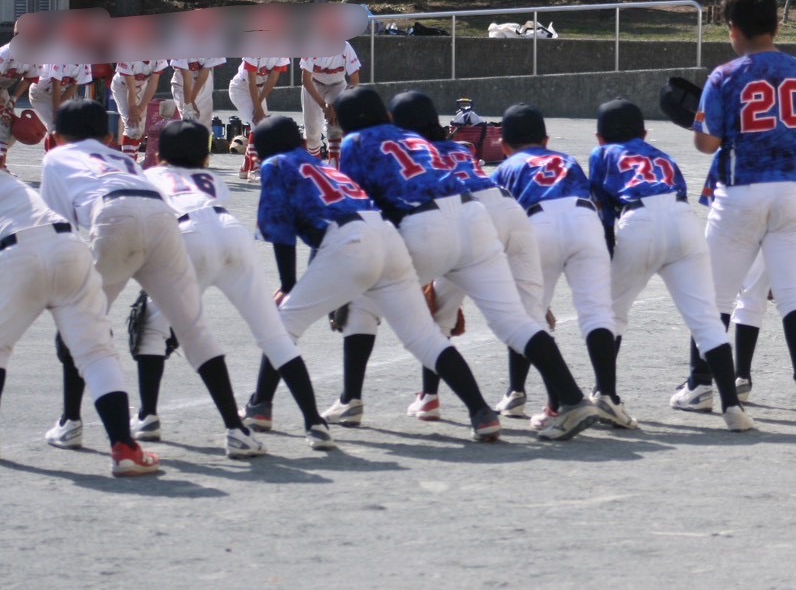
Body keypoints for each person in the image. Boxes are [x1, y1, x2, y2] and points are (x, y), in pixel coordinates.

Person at [331, 87, 599, 440]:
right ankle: (566, 399)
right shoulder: (456, 146)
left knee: (373, 304)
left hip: (448, 217)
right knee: (519, 318)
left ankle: (368, 398)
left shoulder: (383, 144)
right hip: (495, 211)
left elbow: (371, 209)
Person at [245, 114, 520, 442]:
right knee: (424, 336)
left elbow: (281, 231)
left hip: (348, 243)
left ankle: (265, 407)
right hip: (386, 237)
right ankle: (481, 412)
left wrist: (289, 284)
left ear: (261, 152)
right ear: (304, 143)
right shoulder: (326, 167)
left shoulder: (276, 165)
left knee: (282, 327)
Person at [39, 99, 266, 458]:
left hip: (114, 216)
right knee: (192, 328)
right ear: (109, 137)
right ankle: (237, 431)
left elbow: (60, 227)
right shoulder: (125, 161)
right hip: (160, 216)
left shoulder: (56, 157)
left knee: (79, 321)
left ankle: (70, 422)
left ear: (56, 136)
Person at [126, 121, 335, 448]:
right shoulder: (211, 179)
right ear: (205, 156)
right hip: (231, 232)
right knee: (273, 334)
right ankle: (314, 422)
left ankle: (148, 416)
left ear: (160, 154)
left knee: (152, 327)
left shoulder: (150, 175)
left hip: (186, 236)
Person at [689, 0, 796, 423]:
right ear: (776, 25)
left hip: (743, 190)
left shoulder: (725, 75)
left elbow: (706, 143)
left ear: (733, 29)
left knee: (714, 294)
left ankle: (700, 384)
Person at [587, 98, 755, 431]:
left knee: (609, 313)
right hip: (683, 221)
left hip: (638, 220)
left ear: (600, 137)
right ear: (645, 134)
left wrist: (607, 259)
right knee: (706, 319)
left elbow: (603, 215)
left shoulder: (602, 153)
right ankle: (732, 405)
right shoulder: (662, 156)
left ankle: (606, 394)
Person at [385, 91, 545, 422]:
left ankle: (430, 397)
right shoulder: (460, 147)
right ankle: (540, 397)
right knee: (525, 316)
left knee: (438, 314)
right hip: (505, 205)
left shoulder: (407, 151)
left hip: (467, 216)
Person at [0, 171, 159, 475]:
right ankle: (124, 448)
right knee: (96, 352)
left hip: (17, 252)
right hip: (67, 246)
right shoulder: (10, 183)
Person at [489, 103, 634, 430]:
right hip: (585, 220)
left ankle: (531, 397)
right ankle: (608, 396)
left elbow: (499, 225)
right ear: (546, 141)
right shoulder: (566, 159)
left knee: (529, 314)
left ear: (504, 145)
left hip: (537, 222)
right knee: (597, 313)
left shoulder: (506, 167)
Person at [228, 55, 290, 180]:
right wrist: (258, 108)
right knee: (259, 125)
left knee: (261, 125)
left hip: (259, 89)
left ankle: (245, 167)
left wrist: (259, 104)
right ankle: (254, 169)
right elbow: (251, 81)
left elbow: (273, 79)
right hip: (241, 87)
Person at [299, 42, 361, 165]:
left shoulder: (345, 47)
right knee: (312, 131)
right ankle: (315, 165)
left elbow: (354, 81)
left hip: (337, 84)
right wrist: (324, 106)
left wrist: (337, 105)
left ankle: (334, 163)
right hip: (314, 84)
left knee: (336, 124)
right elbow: (306, 80)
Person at [109, 59, 166, 160]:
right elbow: (130, 88)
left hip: (141, 86)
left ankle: (133, 157)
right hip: (122, 87)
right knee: (132, 126)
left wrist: (141, 108)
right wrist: (133, 109)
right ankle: (128, 163)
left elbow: (153, 84)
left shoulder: (158, 58)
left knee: (140, 128)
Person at [0, 41, 39, 169]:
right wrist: (2, 107)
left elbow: (28, 78)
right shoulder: (5, 53)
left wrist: (13, 100)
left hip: (2, 90)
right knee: (3, 126)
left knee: (9, 127)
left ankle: (1, 165)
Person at [168, 56, 226, 126]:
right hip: (182, 81)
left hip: (203, 82)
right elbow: (186, 76)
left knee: (204, 123)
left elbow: (205, 72)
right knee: (188, 120)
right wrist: (187, 105)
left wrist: (193, 99)